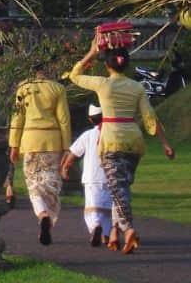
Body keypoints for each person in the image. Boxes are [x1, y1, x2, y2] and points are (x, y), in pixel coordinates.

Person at [69, 35, 175, 253]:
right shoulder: (137, 88)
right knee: (120, 188)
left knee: (118, 189)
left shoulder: (103, 84)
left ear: (107, 65)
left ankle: (128, 230)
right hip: (134, 141)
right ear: (127, 64)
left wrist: (92, 52)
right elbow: (150, 118)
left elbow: (74, 75)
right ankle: (115, 232)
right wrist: (164, 143)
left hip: (111, 141)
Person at [9, 61, 71, 246]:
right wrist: (67, 147)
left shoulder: (23, 88)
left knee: (34, 184)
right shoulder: (57, 88)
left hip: (30, 140)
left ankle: (42, 214)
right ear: (49, 70)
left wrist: (13, 144)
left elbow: (17, 117)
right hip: (53, 141)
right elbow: (64, 120)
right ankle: (48, 220)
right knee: (51, 184)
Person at [61, 104, 112, 247]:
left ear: (90, 120)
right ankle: (106, 236)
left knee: (92, 206)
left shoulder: (88, 135)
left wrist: (65, 168)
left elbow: (73, 154)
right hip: (110, 176)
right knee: (108, 207)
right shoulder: (113, 133)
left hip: (91, 177)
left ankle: (95, 226)